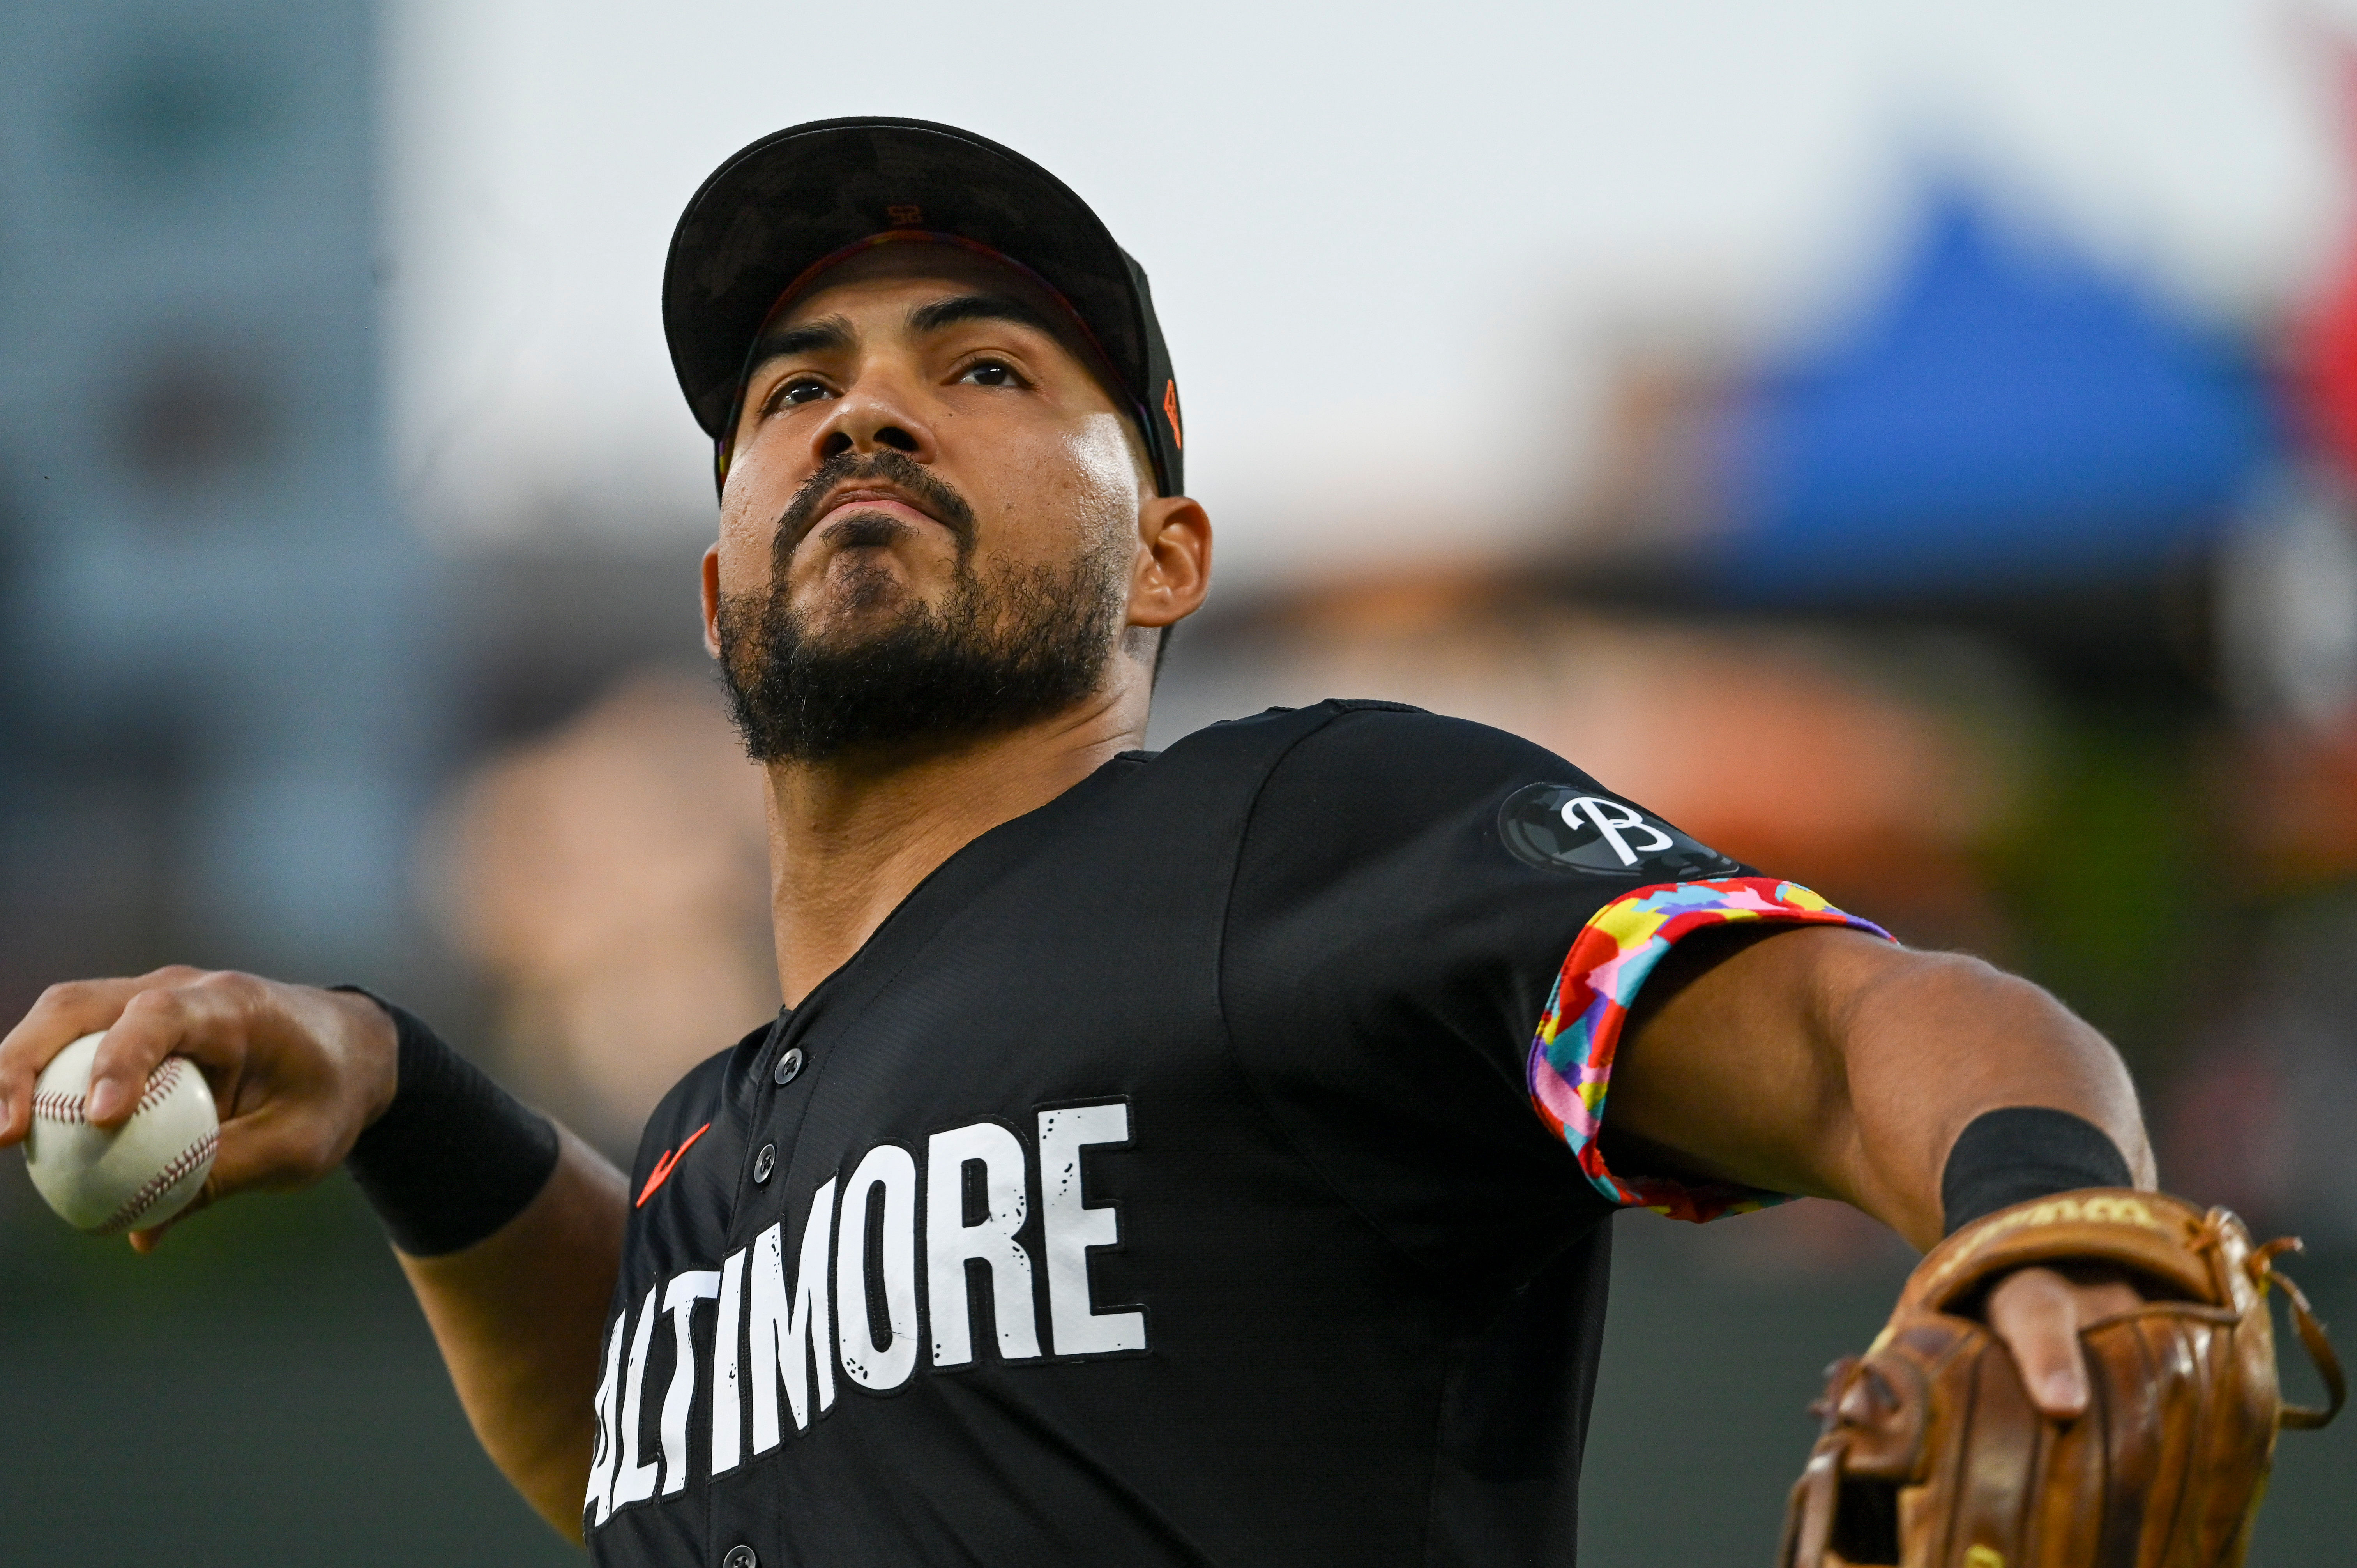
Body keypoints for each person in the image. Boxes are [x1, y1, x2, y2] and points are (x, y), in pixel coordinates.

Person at [0, 120, 2154, 1567]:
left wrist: (2053, 1227)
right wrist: (389, 1077)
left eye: (990, 368)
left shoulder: (1297, 828)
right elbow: (632, 1420)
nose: (860, 406)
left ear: (1167, 557)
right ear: (713, 585)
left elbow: (1866, 1019)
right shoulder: (710, 1145)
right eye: (790, 392)